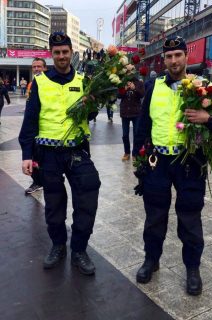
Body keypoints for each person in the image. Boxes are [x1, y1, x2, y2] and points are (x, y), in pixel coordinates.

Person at [133, 36, 212, 295]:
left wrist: (207, 118)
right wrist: (139, 160)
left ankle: (192, 269)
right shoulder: (153, 86)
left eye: (178, 55)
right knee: (154, 216)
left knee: (190, 218)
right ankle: (151, 260)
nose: (173, 61)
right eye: (169, 56)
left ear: (186, 57)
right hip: (157, 162)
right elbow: (143, 125)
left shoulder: (202, 87)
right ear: (164, 60)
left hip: (190, 162)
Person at [19, 32, 101, 274]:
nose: (62, 56)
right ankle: (58, 246)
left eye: (65, 52)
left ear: (72, 52)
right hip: (49, 154)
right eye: (57, 53)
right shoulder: (40, 83)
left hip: (77, 150)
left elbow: (90, 116)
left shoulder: (85, 80)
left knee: (88, 195)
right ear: (51, 54)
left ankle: (79, 250)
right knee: (54, 204)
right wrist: (26, 154)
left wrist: (92, 103)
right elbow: (30, 121)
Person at [24, 58, 47, 194]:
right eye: (34, 67)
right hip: (33, 126)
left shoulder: (49, 84)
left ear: (45, 68)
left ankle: (43, 180)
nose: (37, 69)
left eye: (39, 66)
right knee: (33, 155)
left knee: (42, 156)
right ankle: (37, 181)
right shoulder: (32, 84)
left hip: (45, 127)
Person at [118, 77, 145, 161]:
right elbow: (118, 96)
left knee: (136, 134)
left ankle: (135, 153)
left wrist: (134, 88)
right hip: (125, 112)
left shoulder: (139, 83)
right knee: (125, 135)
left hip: (136, 112)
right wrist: (124, 89)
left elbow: (142, 94)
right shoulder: (121, 82)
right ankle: (127, 153)